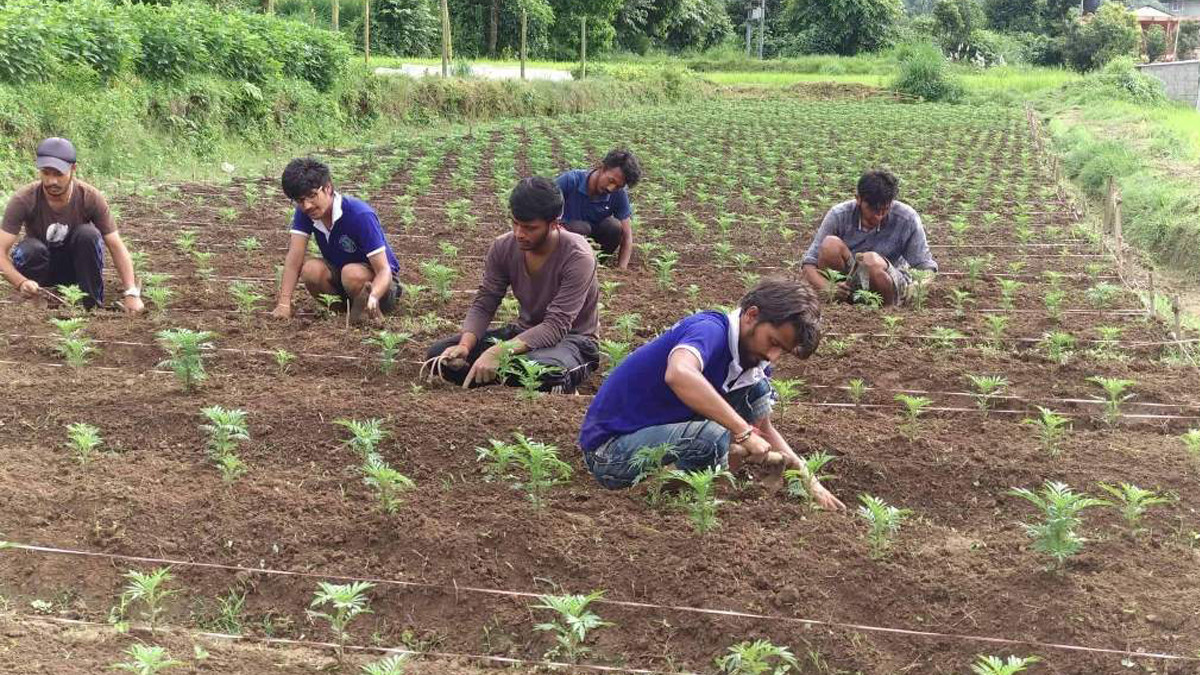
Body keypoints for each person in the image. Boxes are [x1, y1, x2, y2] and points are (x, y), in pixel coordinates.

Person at [578, 278, 844, 510]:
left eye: (781, 351)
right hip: (612, 452)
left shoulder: (751, 363)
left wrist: (810, 480)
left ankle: (689, 480)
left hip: (658, 440)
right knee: (712, 436)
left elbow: (764, 429)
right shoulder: (710, 329)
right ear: (751, 315)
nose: (771, 356)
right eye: (773, 342)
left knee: (755, 391)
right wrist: (743, 432)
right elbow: (679, 373)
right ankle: (677, 494)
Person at [422, 176, 600, 392]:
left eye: (529, 228)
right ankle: (501, 375)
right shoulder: (503, 246)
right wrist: (465, 345)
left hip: (573, 340)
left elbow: (556, 326)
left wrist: (497, 352)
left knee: (546, 372)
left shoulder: (578, 256)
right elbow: (485, 301)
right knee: (439, 355)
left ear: (554, 224)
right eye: (515, 223)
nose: (519, 234)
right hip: (524, 334)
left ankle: (499, 375)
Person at [0, 137, 144, 313]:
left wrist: (131, 292)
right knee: (30, 249)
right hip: (40, 273)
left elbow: (116, 245)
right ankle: (35, 302)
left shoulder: (90, 197)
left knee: (88, 235)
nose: (51, 181)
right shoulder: (24, 199)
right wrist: (20, 281)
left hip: (77, 269)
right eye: (46, 172)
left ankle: (91, 305)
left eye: (58, 174)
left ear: (73, 169)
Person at [272, 158, 401, 324]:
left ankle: (365, 311)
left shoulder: (359, 215)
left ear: (328, 188)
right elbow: (294, 257)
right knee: (311, 269)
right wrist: (284, 303)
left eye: (312, 196)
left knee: (351, 273)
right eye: (299, 200)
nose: (307, 206)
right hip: (342, 280)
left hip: (382, 286)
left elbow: (384, 270)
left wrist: (374, 296)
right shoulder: (305, 212)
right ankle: (345, 315)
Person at [801, 169, 937, 307]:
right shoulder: (839, 215)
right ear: (858, 199)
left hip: (890, 282)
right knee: (830, 245)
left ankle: (887, 310)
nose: (878, 216)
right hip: (851, 280)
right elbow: (808, 265)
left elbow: (926, 266)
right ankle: (843, 303)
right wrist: (829, 288)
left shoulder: (906, 218)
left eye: (884, 209)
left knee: (869, 260)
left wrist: (918, 285)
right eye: (872, 209)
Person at [556, 149, 641, 269]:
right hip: (563, 239)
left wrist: (622, 269)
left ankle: (596, 265)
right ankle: (565, 265)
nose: (611, 188)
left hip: (591, 242)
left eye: (618, 186)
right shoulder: (570, 181)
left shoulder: (618, 194)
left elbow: (627, 237)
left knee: (614, 227)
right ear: (602, 167)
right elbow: (541, 211)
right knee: (581, 228)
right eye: (611, 181)